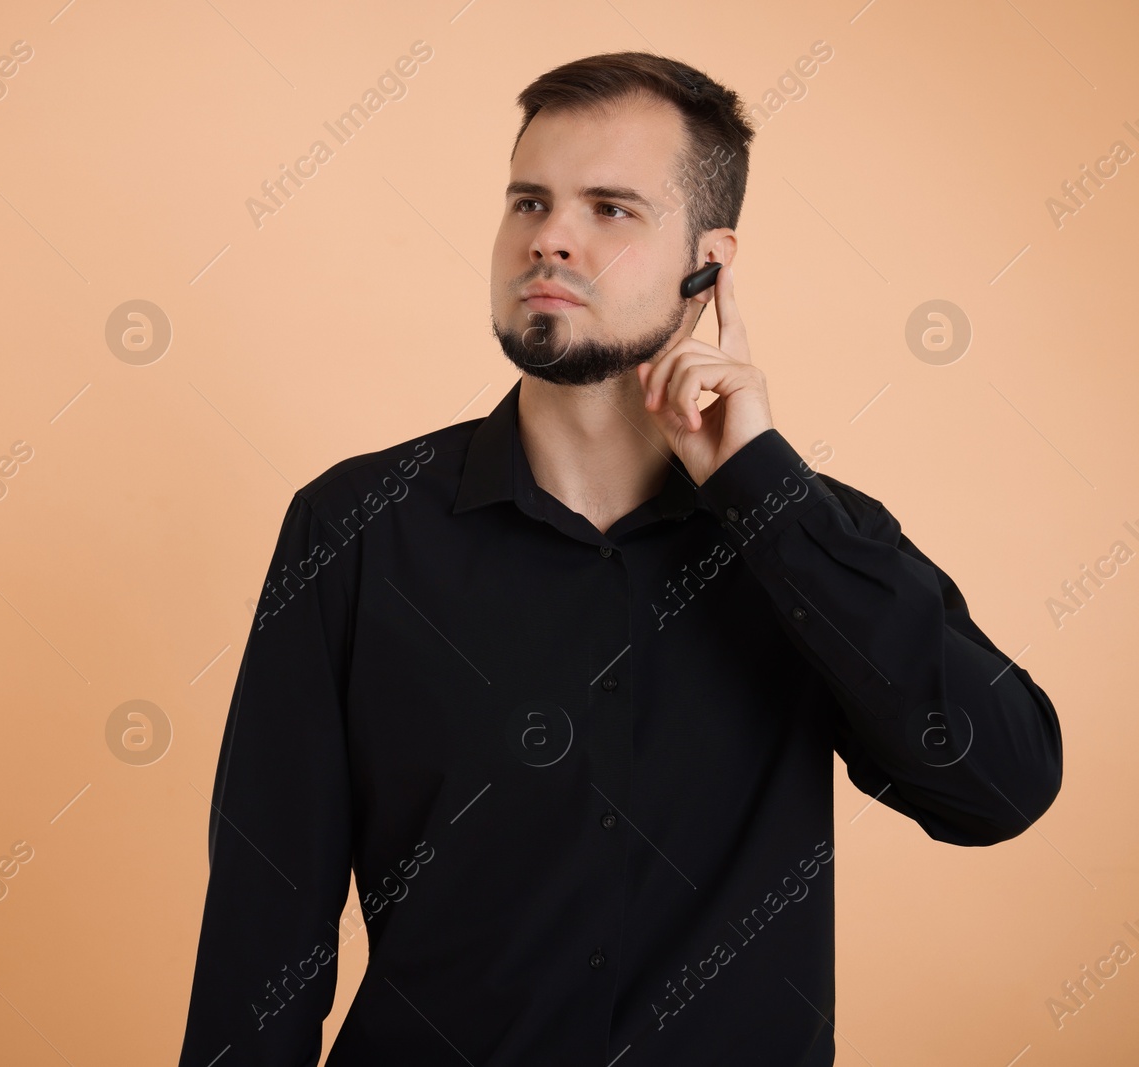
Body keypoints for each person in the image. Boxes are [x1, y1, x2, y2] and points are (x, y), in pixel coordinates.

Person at [176, 51, 1062, 1066]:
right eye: (528, 201)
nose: (548, 237)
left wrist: (767, 498)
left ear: (709, 263)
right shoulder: (355, 525)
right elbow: (262, 933)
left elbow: (997, 786)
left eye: (609, 209)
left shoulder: (809, 537)